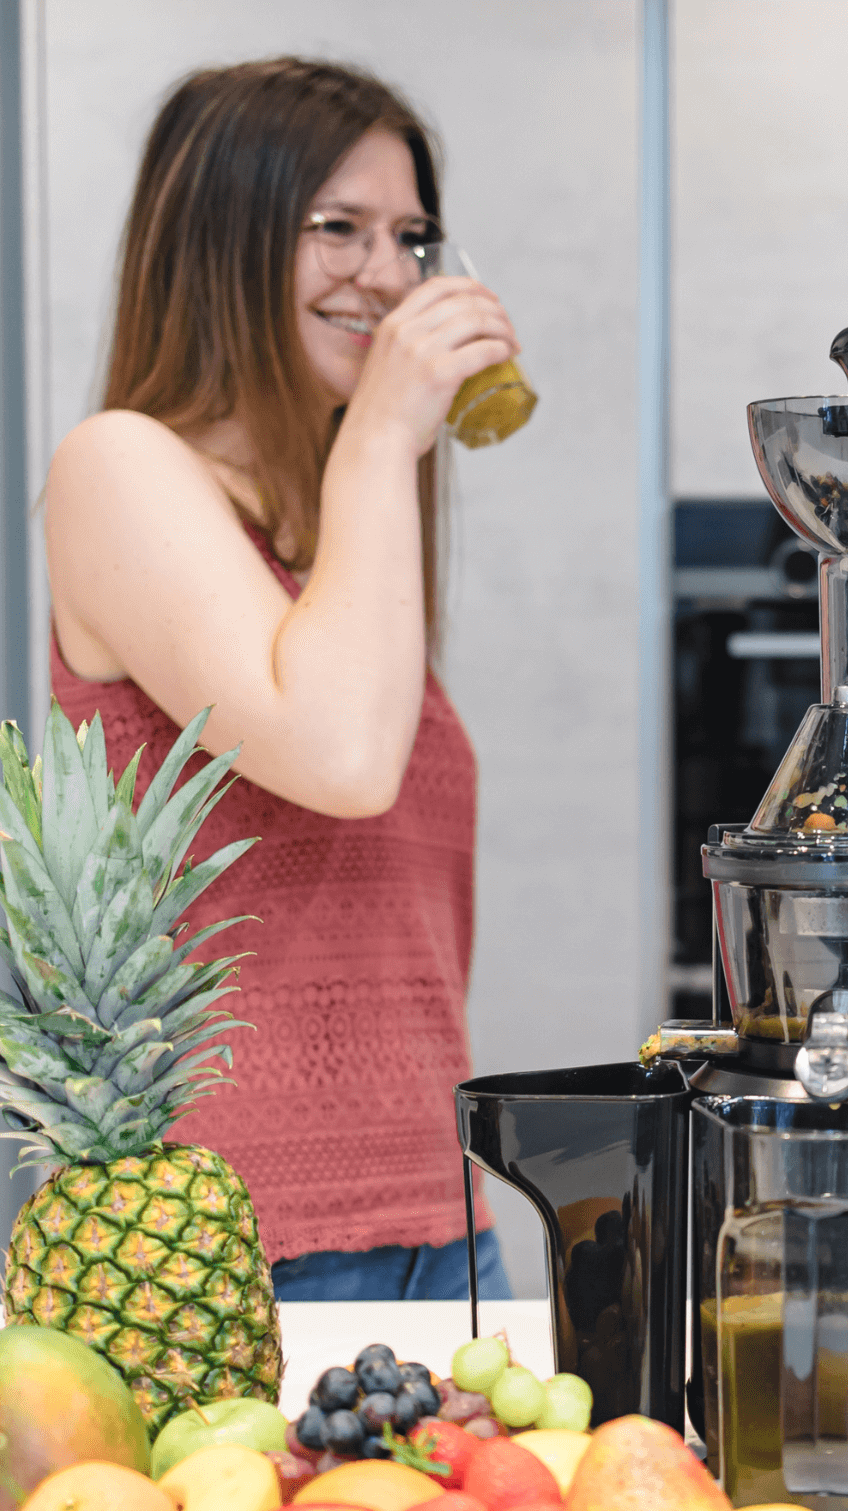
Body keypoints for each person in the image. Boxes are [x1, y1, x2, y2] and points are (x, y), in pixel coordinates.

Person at [44, 57, 519, 1301]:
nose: (388, 273)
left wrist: (366, 466)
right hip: (232, 1239)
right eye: (336, 229)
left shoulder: (332, 537)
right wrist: (381, 437)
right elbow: (341, 759)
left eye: (412, 236)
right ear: (222, 240)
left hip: (440, 1212)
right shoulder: (121, 466)